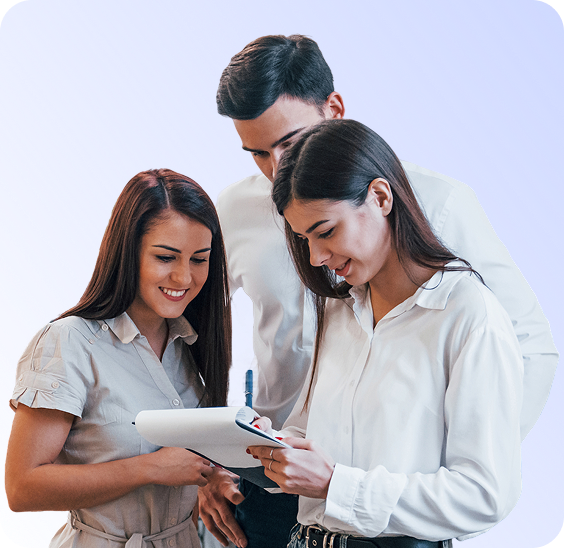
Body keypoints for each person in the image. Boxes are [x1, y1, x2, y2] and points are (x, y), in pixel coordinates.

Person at [199, 34, 558, 548]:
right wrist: (221, 453)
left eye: (290, 142)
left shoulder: (444, 213)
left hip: (383, 505)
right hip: (279, 477)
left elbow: (530, 348)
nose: (277, 167)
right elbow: (198, 325)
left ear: (335, 109)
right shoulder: (246, 220)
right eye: (258, 153)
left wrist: (448, 459)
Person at [249, 118, 524, 548]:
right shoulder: (340, 310)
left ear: (380, 197)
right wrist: (268, 444)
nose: (317, 257)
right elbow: (312, 434)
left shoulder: (468, 316)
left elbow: (485, 495)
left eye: (325, 232)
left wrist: (337, 485)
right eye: (304, 240)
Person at [4, 169, 232, 548]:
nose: (184, 277)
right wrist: (150, 469)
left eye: (199, 259)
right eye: (165, 257)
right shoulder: (69, 342)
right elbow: (22, 488)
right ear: (128, 252)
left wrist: (214, 477)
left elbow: (185, 463)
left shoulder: (192, 343)